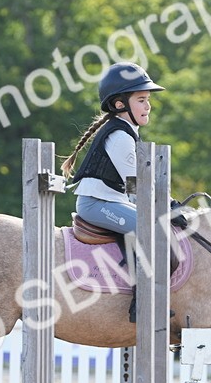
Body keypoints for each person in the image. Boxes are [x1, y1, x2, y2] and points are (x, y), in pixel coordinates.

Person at [61, 62, 172, 323]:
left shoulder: (127, 133)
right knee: (151, 230)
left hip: (110, 201)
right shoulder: (120, 136)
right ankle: (143, 301)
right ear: (120, 104)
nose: (148, 106)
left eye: (148, 100)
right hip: (96, 204)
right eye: (142, 100)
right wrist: (167, 205)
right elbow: (138, 185)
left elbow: (134, 190)